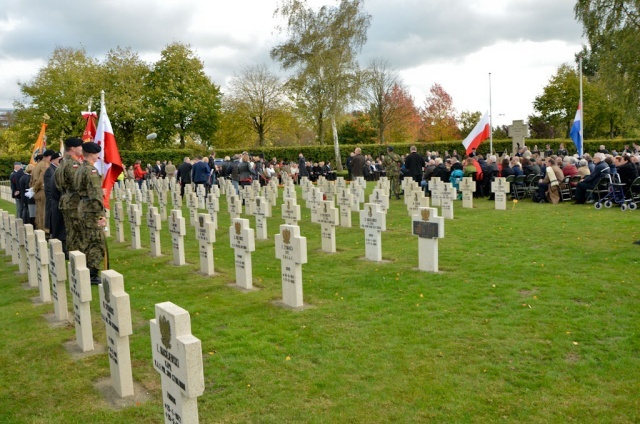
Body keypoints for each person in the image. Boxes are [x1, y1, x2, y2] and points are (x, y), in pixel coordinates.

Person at [74, 142, 107, 285]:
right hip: (91, 210)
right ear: (92, 154)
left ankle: (85, 270)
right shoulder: (91, 171)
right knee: (95, 242)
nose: (98, 156)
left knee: (85, 240)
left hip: (83, 207)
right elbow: (94, 195)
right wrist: (101, 215)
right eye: (97, 153)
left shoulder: (80, 169)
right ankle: (92, 273)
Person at [55, 137, 84, 252]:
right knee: (76, 233)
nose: (82, 149)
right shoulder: (72, 164)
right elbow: (77, 184)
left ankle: (73, 256)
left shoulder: (62, 162)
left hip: (66, 199)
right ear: (73, 148)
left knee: (71, 230)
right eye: (80, 146)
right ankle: (77, 259)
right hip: (74, 201)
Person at [31, 149, 54, 230]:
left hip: (37, 191)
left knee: (39, 211)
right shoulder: (45, 165)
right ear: (49, 157)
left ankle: (39, 228)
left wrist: (33, 189)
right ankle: (45, 230)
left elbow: (32, 179)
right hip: (42, 191)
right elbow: (41, 179)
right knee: (44, 212)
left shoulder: (37, 164)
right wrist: (35, 188)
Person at [43, 152, 62, 236]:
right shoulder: (50, 171)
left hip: (57, 199)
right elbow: (49, 188)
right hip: (53, 199)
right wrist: (51, 200)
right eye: (59, 160)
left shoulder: (56, 169)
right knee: (53, 219)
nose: (60, 161)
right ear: (53, 160)